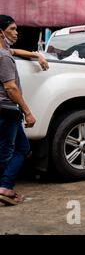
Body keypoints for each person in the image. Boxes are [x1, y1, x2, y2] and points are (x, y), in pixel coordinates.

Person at [0, 15, 37, 206]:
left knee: (21, 148)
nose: (16, 33)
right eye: (12, 29)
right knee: (8, 151)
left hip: (6, 110)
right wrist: (27, 111)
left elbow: (15, 50)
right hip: (7, 109)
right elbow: (11, 88)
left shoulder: (5, 50)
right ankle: (4, 188)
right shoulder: (3, 56)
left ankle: (5, 187)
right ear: (1, 32)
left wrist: (36, 55)